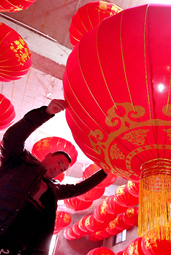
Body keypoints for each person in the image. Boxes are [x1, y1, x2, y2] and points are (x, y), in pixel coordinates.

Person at [0, 99, 108, 255]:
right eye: (58, 162)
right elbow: (13, 138)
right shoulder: (20, 162)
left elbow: (80, 188)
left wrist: (104, 172)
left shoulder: (54, 190)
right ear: (48, 155)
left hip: (16, 246)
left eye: (62, 169)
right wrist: (45, 113)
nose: (58, 169)